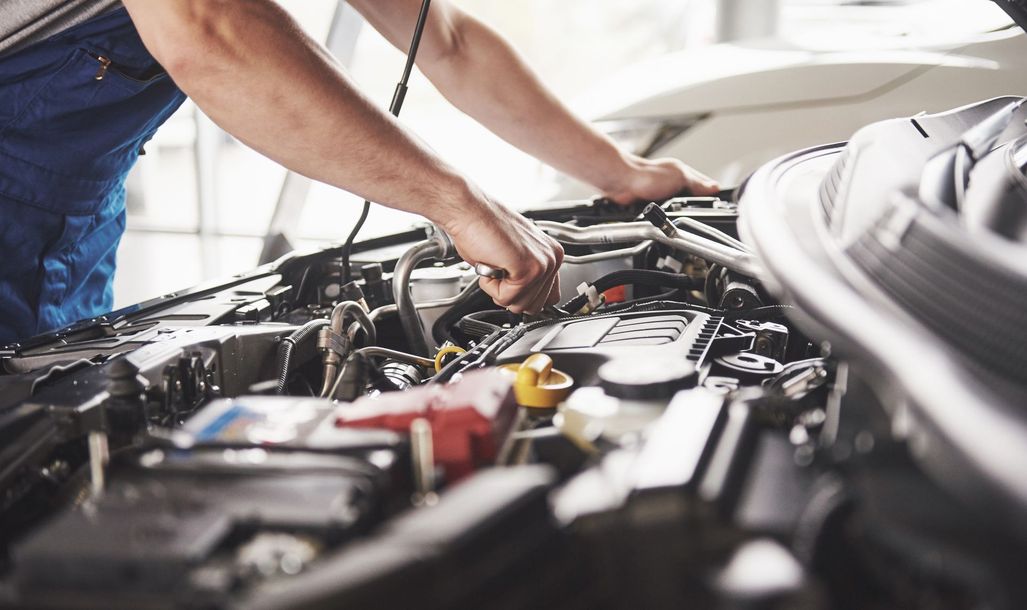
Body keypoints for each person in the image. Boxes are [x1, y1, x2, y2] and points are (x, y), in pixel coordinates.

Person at [0, 0, 718, 343]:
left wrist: (622, 173)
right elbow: (207, 27)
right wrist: (457, 204)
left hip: (66, 217)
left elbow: (447, 43)